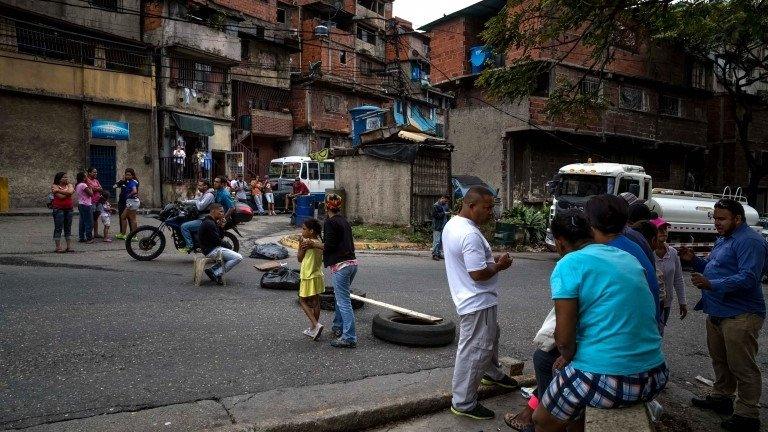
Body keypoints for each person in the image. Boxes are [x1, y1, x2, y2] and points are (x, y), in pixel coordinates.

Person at [532, 209, 667, 432]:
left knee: (541, 421)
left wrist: (567, 357)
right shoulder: (626, 258)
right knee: (573, 389)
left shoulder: (569, 263)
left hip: (614, 380)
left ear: (560, 242)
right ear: (592, 233)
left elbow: (564, 341)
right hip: (655, 375)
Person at [679, 199, 767, 432]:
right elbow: (713, 267)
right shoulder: (725, 239)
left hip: (741, 313)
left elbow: (749, 278)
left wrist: (712, 284)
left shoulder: (750, 241)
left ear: (737, 219)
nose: (716, 223)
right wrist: (695, 261)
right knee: (721, 360)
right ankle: (722, 398)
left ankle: (748, 414)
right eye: (714, 218)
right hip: (718, 311)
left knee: (742, 365)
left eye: (721, 219)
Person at [443, 186, 517, 420]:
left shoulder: (453, 224)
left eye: (492, 208)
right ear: (470, 205)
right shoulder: (470, 234)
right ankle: (463, 402)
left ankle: (491, 372)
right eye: (486, 208)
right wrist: (499, 266)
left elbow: (472, 263)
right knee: (475, 350)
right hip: (477, 301)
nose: (490, 213)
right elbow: (478, 273)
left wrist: (490, 261)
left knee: (491, 335)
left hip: (473, 299)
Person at [586, 194, 662, 326]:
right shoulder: (636, 241)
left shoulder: (606, 253)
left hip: (624, 333)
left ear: (591, 222)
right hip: (647, 329)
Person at [322, 193, 358, 348]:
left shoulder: (330, 222)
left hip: (341, 266)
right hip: (352, 264)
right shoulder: (344, 220)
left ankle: (349, 337)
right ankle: (338, 327)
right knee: (340, 297)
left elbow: (329, 245)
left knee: (343, 301)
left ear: (326, 206)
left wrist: (312, 244)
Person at [651, 218, 687, 333]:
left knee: (660, 334)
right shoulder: (648, 252)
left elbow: (678, 279)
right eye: (660, 229)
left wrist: (682, 302)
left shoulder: (673, 253)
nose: (664, 232)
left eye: (665, 229)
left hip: (666, 303)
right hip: (650, 302)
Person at [199, 203, 243, 285]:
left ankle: (212, 270)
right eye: (220, 212)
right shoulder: (209, 223)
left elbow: (219, 237)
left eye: (223, 212)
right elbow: (217, 241)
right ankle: (216, 273)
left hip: (211, 248)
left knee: (230, 255)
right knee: (238, 257)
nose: (222, 214)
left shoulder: (211, 221)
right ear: (213, 211)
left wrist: (221, 227)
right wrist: (228, 245)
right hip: (211, 250)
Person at [298, 218, 325, 340]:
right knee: (316, 302)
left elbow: (299, 258)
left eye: (304, 229)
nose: (302, 231)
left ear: (311, 231)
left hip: (307, 275)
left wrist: (300, 245)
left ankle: (316, 324)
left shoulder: (307, 243)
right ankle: (314, 329)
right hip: (317, 274)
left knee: (302, 300)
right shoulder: (318, 241)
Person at [180, 180, 216, 253]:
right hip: (203, 217)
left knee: (184, 226)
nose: (198, 187)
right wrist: (184, 202)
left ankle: (190, 246)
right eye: (198, 185)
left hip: (205, 219)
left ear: (205, 186)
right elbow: (196, 201)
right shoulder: (205, 194)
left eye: (200, 185)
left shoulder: (209, 195)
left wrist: (197, 199)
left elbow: (200, 207)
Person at [51, 172, 75, 253]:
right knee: (58, 228)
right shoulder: (54, 186)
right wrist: (67, 193)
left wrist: (59, 191)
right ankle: (58, 247)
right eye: (64, 177)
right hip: (58, 209)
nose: (66, 179)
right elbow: (61, 197)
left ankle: (69, 247)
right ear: (59, 179)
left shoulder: (69, 185)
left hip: (69, 209)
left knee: (68, 227)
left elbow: (71, 192)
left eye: (66, 177)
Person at [116, 168, 139, 239]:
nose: (127, 176)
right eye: (126, 174)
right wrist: (121, 182)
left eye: (129, 175)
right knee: (123, 217)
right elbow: (115, 186)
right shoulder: (125, 181)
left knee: (132, 219)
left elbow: (135, 191)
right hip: (127, 201)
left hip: (131, 202)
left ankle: (134, 236)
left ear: (132, 175)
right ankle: (123, 234)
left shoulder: (133, 182)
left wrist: (129, 195)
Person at [75, 171, 94, 244]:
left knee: (82, 221)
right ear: (83, 178)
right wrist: (90, 187)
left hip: (81, 204)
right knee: (89, 222)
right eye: (85, 176)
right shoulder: (83, 185)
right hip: (86, 204)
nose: (87, 177)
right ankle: (89, 238)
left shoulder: (78, 185)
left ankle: (81, 237)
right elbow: (91, 194)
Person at [85, 167, 104, 239]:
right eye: (94, 172)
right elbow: (91, 188)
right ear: (89, 173)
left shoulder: (96, 180)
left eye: (96, 172)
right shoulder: (87, 180)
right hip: (91, 201)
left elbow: (101, 189)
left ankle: (96, 233)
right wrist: (97, 189)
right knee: (90, 218)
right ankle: (89, 234)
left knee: (96, 218)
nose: (96, 173)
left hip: (98, 201)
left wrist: (97, 189)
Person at [431, 195, 451, 260]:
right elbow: (435, 215)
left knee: (441, 241)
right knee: (436, 241)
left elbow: (447, 216)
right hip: (437, 226)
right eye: (445, 201)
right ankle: (434, 254)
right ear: (442, 198)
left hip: (444, 226)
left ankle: (439, 254)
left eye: (447, 201)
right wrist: (444, 213)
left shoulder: (446, 205)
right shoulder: (435, 206)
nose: (446, 202)